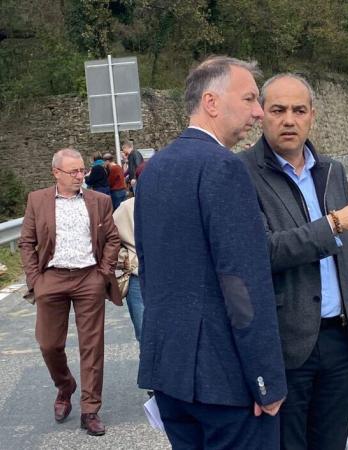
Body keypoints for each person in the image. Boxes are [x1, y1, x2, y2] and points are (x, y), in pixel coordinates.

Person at [135, 56, 287, 449]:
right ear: (212, 102)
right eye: (250, 98)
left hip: (169, 373)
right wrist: (266, 381)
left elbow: (151, 273)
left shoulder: (153, 170)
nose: (258, 112)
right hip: (225, 384)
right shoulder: (223, 168)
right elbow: (242, 286)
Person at [240, 73, 348, 450]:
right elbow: (264, 252)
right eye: (278, 110)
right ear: (262, 114)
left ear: (312, 116)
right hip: (287, 344)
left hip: (342, 341)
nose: (288, 120)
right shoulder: (243, 172)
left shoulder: (332, 171)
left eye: (298, 110)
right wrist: (336, 223)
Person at [18, 148, 122, 436]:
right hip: (51, 278)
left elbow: (112, 238)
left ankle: (90, 410)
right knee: (49, 344)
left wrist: (103, 273)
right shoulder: (37, 200)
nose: (80, 176)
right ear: (56, 173)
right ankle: (65, 386)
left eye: (82, 170)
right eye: (73, 171)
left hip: (89, 277)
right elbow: (26, 242)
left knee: (92, 346)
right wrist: (35, 280)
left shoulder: (99, 201)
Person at [112, 164, 144, 342]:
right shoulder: (127, 208)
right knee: (145, 336)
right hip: (138, 277)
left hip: (164, 279)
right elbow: (108, 239)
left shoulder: (172, 204)